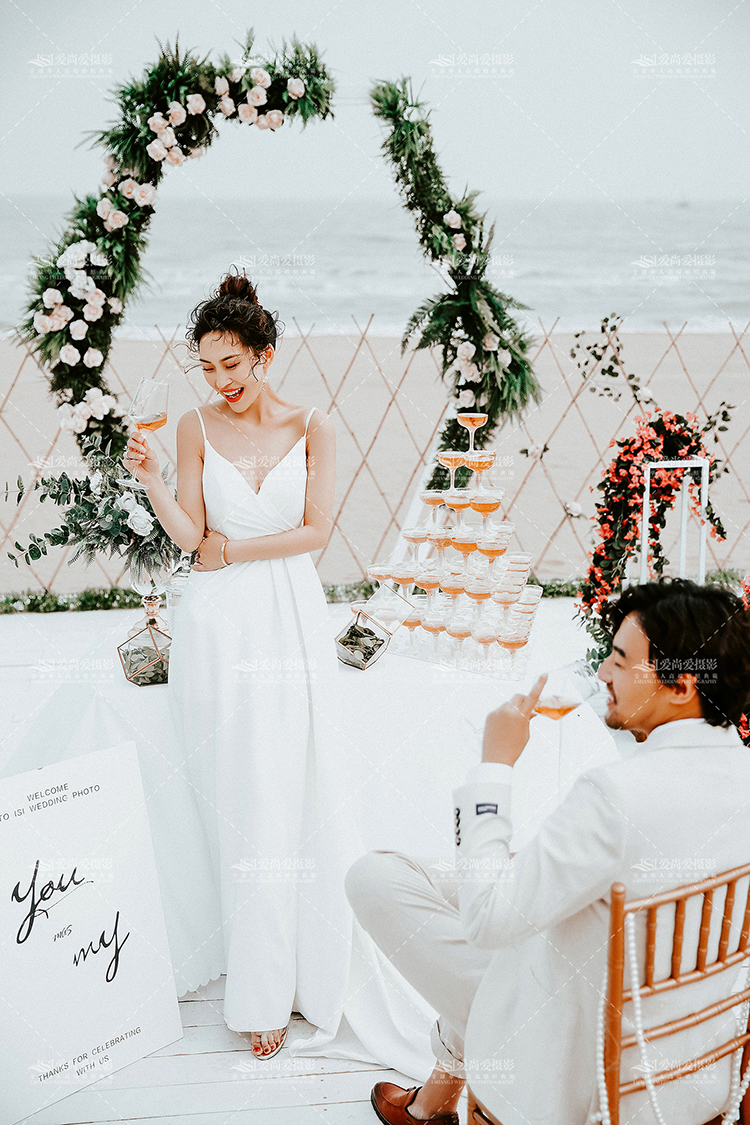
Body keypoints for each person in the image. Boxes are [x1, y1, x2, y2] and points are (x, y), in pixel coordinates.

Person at [346, 579, 750, 1125]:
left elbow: (488, 921)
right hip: (701, 1068)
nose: (602, 673)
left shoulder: (616, 796)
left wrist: (495, 766)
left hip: (575, 1065)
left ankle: (435, 1095)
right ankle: (432, 1100)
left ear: (681, 686)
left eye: (620, 659)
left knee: (376, 881)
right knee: (432, 880)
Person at [123, 269, 352, 1059]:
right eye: (207, 366)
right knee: (241, 793)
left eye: (232, 363)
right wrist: (153, 480)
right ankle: (258, 989)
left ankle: (301, 972)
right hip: (218, 626)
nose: (220, 379)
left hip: (289, 613)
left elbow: (317, 532)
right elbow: (191, 536)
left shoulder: (314, 425)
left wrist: (236, 552)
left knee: (290, 786)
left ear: (264, 354)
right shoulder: (191, 425)